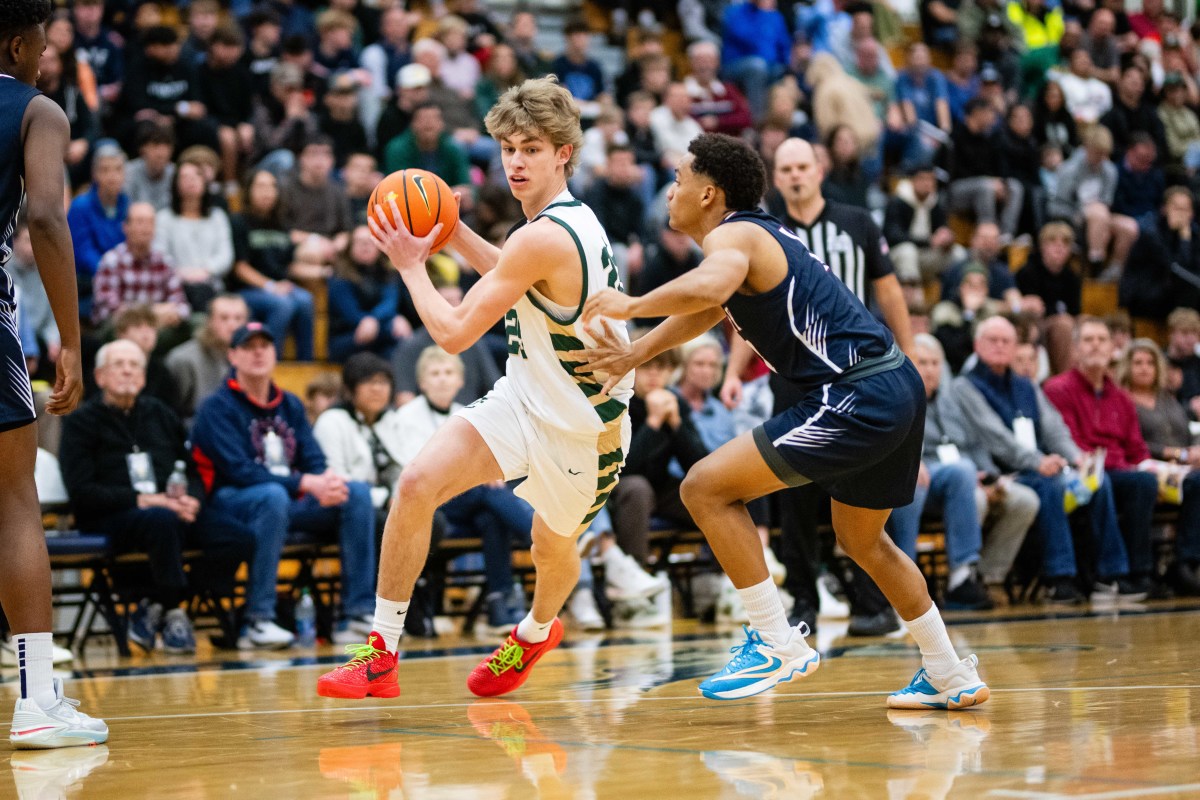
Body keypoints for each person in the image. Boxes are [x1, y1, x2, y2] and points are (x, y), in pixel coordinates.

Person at [579, 132, 988, 709]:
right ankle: (950, 671)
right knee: (860, 541)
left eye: (678, 179)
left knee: (704, 488)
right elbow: (709, 305)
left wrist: (630, 304)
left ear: (709, 194)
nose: (670, 189)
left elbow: (710, 287)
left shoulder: (733, 234)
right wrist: (634, 353)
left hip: (855, 390)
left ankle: (776, 640)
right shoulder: (751, 237)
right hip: (893, 385)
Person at [316, 76, 636, 701]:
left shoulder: (543, 234)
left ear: (563, 153)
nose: (515, 161)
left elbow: (456, 333)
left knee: (552, 543)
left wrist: (412, 264)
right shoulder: (556, 225)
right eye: (508, 148)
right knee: (414, 485)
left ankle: (538, 629)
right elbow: (521, 277)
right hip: (525, 397)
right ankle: (381, 652)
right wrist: (454, 231)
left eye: (532, 149)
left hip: (585, 425)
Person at [1, 0, 107, 747]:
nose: (46, 60)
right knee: (13, 499)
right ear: (15, 45)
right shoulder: (37, 110)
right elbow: (44, 218)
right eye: (41, 47)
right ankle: (37, 699)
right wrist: (70, 340)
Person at [759, 136, 913, 636]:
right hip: (794, 376)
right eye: (786, 169)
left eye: (804, 165)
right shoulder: (769, 231)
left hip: (856, 374)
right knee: (793, 491)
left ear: (819, 169)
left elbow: (889, 291)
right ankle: (804, 600)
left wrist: (908, 354)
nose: (796, 176)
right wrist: (735, 370)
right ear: (776, 178)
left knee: (860, 490)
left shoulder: (858, 223)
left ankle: (871, 601)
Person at [59, 339, 253, 654]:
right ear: (99, 377)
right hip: (112, 517)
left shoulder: (160, 414)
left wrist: (193, 499)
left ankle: (159, 604)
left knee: (238, 537)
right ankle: (174, 610)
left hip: (171, 513)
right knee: (161, 520)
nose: (127, 371)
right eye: (118, 365)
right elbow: (82, 491)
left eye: (134, 365)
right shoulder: (81, 422)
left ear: (144, 376)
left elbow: (192, 470)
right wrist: (144, 500)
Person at [192, 323, 377, 649]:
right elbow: (239, 471)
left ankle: (357, 614)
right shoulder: (217, 407)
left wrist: (327, 481)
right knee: (271, 496)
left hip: (285, 499)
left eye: (265, 345)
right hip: (232, 502)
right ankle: (258, 620)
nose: (259, 352)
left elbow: (312, 457)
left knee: (356, 493)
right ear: (233, 355)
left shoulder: (289, 404)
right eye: (249, 346)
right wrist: (305, 481)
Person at [951, 316, 1138, 603]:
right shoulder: (966, 386)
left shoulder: (1027, 385)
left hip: (1042, 465)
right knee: (1050, 487)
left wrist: (1077, 459)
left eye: (1006, 341)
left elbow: (1054, 427)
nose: (1000, 347)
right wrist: (1038, 461)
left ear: (1016, 347)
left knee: (1096, 482)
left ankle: (1111, 574)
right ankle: (1058, 578)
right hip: (1003, 472)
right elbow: (995, 437)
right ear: (977, 345)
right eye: (993, 340)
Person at [1043, 317, 1161, 596]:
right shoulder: (1058, 389)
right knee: (1102, 482)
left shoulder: (1121, 397)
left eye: (1102, 340)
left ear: (1113, 348)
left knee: (1145, 482)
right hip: (1081, 470)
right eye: (1088, 340)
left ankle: (1141, 571)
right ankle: (1110, 573)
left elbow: (1137, 449)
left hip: (1119, 470)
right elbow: (1066, 441)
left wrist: (1150, 466)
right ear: (1075, 349)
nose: (1096, 346)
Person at [1117, 338, 1200, 596]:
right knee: (1195, 483)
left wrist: (1195, 449)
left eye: (1150, 362)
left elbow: (1189, 431)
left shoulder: (1168, 399)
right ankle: (1184, 562)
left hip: (1182, 466)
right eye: (1138, 362)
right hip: (1146, 466)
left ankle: (1187, 560)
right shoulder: (1122, 399)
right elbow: (1131, 443)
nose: (1144, 368)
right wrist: (1174, 453)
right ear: (1126, 367)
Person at [91, 202, 190, 329]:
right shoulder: (112, 261)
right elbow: (110, 308)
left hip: (158, 327)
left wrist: (174, 313)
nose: (146, 228)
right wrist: (152, 312)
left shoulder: (165, 261)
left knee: (193, 323)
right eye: (140, 222)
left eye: (150, 223)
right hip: (122, 328)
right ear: (125, 227)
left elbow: (181, 305)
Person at [165, 293, 248, 422]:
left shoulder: (251, 357)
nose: (232, 325)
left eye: (238, 319)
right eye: (224, 318)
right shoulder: (184, 359)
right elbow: (171, 414)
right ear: (209, 321)